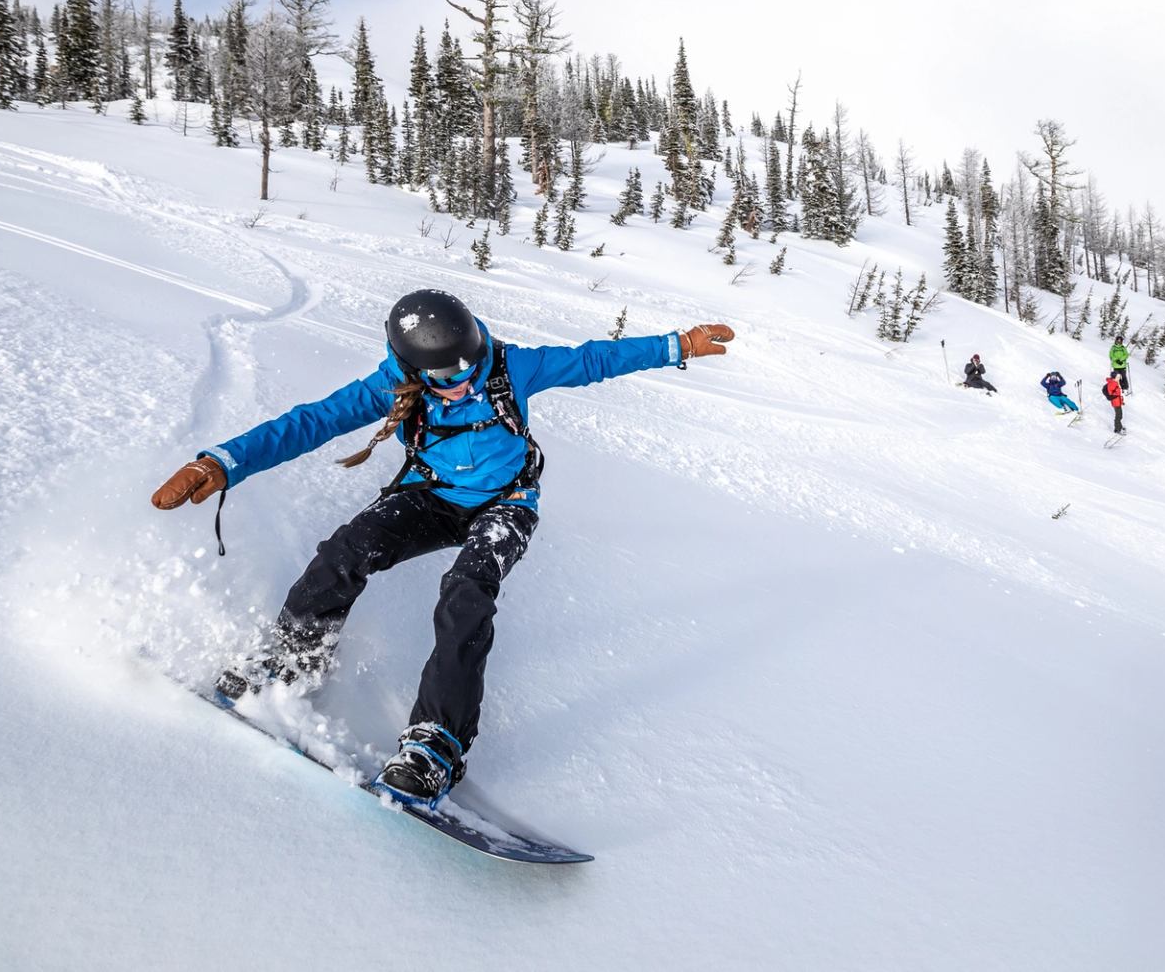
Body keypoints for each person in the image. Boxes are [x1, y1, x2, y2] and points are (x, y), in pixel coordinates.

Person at [151, 288, 736, 805]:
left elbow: (591, 360)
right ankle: (293, 661)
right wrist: (224, 461)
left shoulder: (508, 367)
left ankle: (436, 745)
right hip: (430, 495)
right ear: (411, 368)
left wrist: (677, 344)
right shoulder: (390, 387)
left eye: (469, 367)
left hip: (505, 506)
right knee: (344, 553)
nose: (462, 382)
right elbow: (311, 422)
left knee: (465, 595)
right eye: (447, 377)